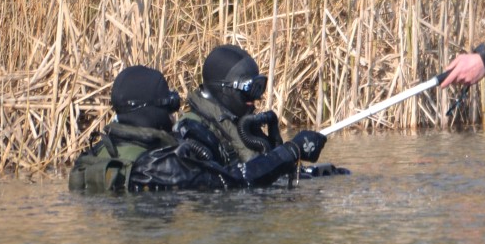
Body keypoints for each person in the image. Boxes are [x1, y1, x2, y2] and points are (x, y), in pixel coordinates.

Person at [130, 43, 337, 189]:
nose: (255, 98)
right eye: (248, 90)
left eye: (259, 88)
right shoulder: (193, 132)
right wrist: (290, 151)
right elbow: (228, 183)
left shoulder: (238, 123)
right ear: (223, 89)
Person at [68, 65, 184, 193]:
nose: (171, 115)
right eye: (168, 106)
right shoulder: (162, 164)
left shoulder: (96, 153)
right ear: (155, 111)